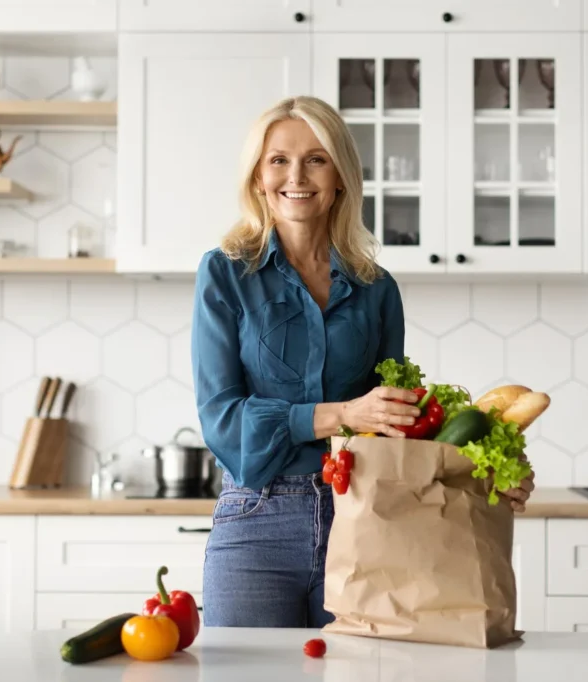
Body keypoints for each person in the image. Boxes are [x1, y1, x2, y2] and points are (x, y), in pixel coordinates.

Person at [191, 95, 535, 629]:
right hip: (256, 522)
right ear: (258, 177)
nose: (295, 175)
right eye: (278, 159)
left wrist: (482, 472)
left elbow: (397, 426)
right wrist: (343, 413)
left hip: (363, 515)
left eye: (316, 158)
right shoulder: (225, 273)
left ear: (341, 178)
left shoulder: (377, 289)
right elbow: (222, 419)